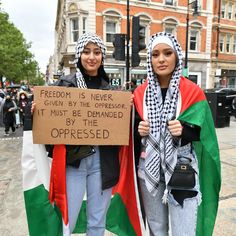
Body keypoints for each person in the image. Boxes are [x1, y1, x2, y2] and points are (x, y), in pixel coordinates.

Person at [32, 33, 126, 235]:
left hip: (103, 163)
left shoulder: (111, 91)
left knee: (97, 222)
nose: (91, 57)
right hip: (74, 163)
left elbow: (120, 130)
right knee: (68, 220)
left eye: (97, 52)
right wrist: (37, 112)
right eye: (86, 51)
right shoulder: (64, 85)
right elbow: (48, 123)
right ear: (79, 55)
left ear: (102, 57)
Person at [133, 32, 221, 236]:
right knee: (156, 227)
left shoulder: (192, 91)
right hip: (148, 166)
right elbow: (132, 134)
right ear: (150, 60)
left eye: (167, 53)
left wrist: (184, 131)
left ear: (176, 57)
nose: (161, 59)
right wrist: (139, 130)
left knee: (184, 229)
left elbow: (204, 133)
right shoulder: (139, 93)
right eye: (155, 55)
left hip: (182, 164)